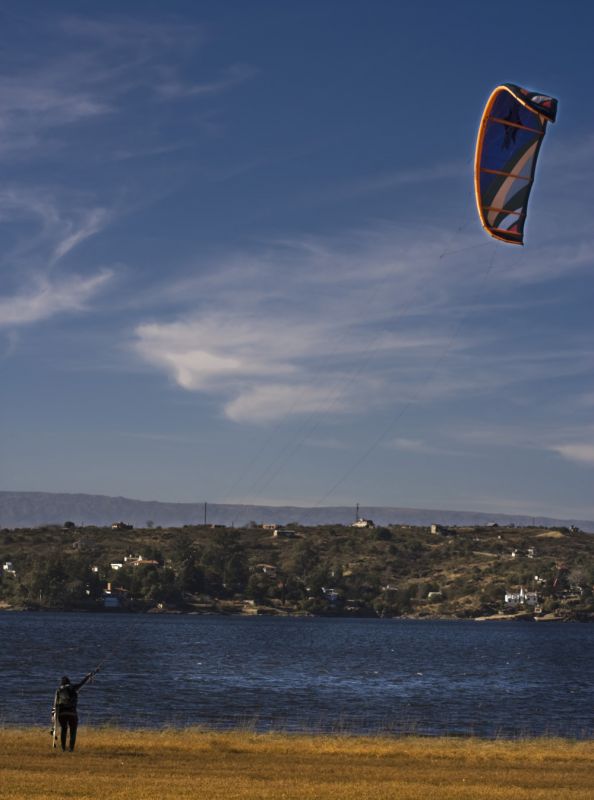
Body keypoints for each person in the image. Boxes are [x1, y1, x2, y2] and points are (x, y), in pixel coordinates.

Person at [52, 670, 98, 752]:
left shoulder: (58, 690)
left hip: (62, 714)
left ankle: (63, 748)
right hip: (72, 713)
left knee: (64, 729)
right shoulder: (73, 687)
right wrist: (88, 676)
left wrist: (54, 718)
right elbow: (82, 683)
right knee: (73, 730)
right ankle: (71, 749)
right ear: (69, 682)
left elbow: (55, 705)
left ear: (61, 683)